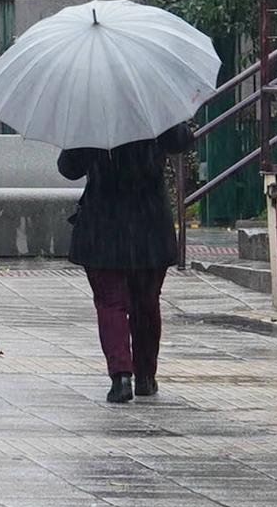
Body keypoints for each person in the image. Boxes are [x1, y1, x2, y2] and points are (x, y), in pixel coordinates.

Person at [57, 122, 194, 403]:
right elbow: (181, 140)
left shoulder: (90, 115)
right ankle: (145, 376)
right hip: (149, 224)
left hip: (103, 225)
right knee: (146, 301)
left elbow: (69, 168)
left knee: (110, 302)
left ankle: (121, 376)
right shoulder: (152, 109)